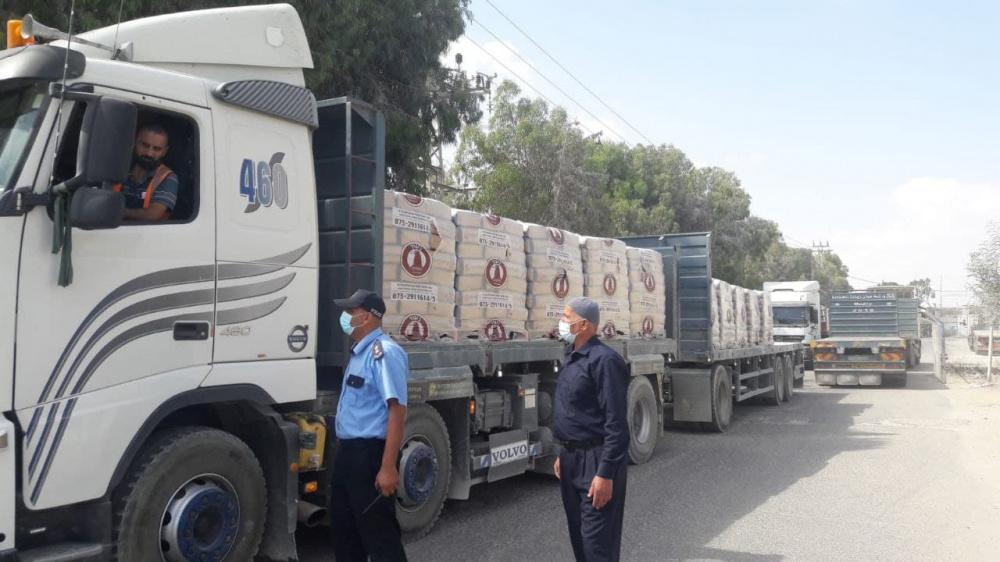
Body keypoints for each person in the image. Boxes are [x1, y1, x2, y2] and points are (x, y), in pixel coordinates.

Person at [330, 289, 409, 562]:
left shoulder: (384, 353)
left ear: (366, 317)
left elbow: (397, 410)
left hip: (370, 457)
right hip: (348, 454)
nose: (345, 317)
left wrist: (387, 467)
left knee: (380, 538)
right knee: (345, 535)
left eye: (350, 312)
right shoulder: (358, 354)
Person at [553, 296, 629, 562]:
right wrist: (564, 452)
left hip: (596, 462)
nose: (561, 322)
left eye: (566, 317)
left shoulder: (605, 361)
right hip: (571, 459)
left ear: (584, 325)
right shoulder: (572, 357)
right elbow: (573, 410)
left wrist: (605, 473)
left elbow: (616, 424)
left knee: (597, 545)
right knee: (579, 540)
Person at [115, 123, 179, 221]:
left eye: (157, 149)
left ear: (164, 151)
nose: (149, 153)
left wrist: (119, 212)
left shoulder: (166, 177)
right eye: (145, 145)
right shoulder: (119, 168)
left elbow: (152, 215)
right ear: (134, 142)